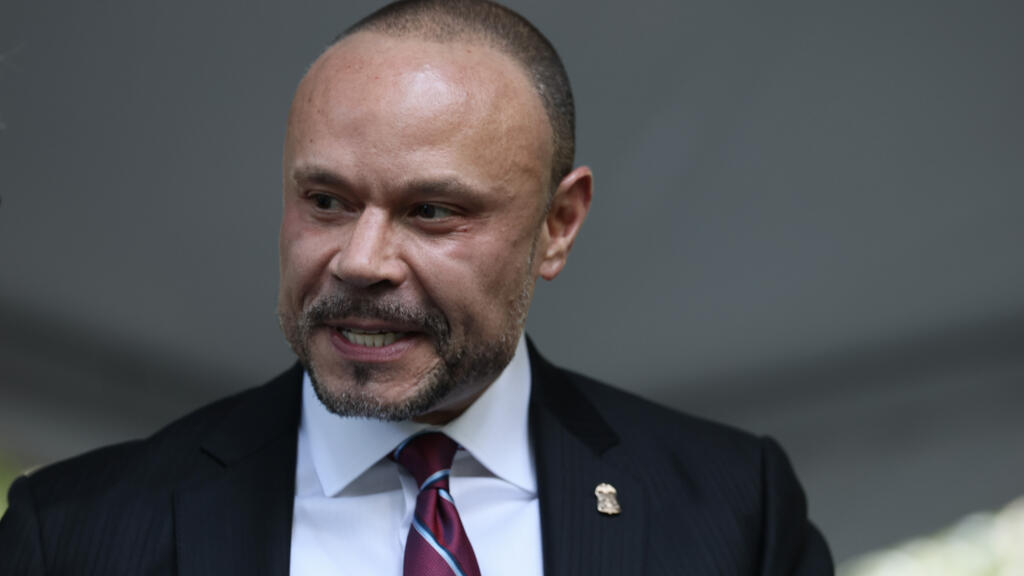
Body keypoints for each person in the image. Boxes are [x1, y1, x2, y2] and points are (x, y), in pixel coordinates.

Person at [0, 0, 833, 574]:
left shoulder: (732, 511)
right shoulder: (77, 536)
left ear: (558, 224)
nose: (361, 261)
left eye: (432, 211)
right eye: (326, 201)